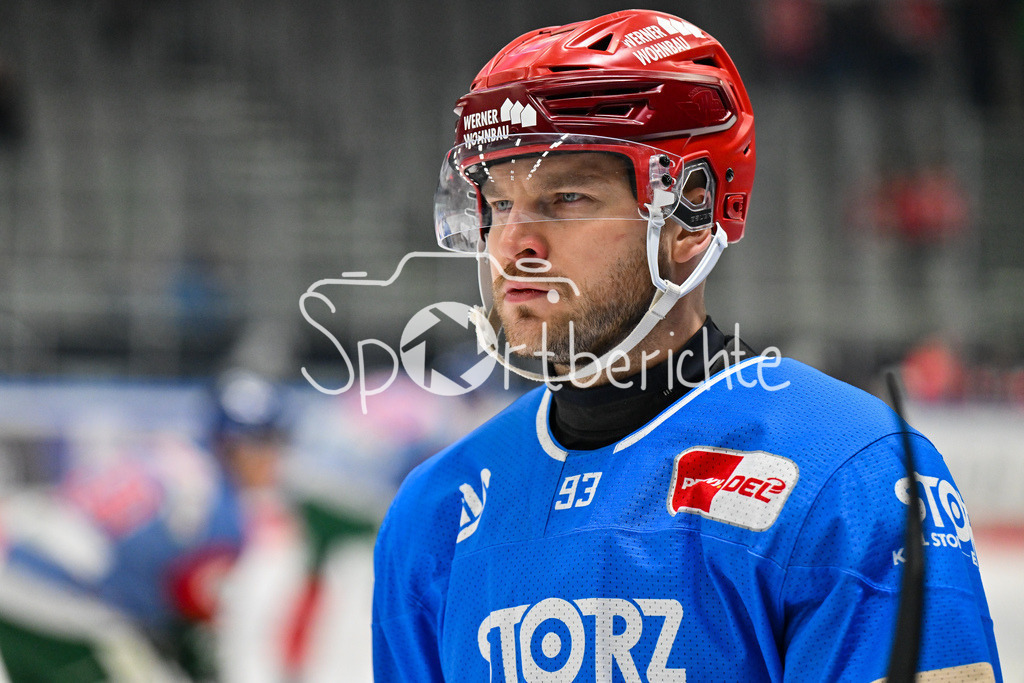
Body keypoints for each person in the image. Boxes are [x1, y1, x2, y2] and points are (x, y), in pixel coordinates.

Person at [372, 9, 1001, 683]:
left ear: (689, 214)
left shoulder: (851, 473)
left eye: (567, 197)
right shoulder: (434, 510)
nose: (513, 242)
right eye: (495, 203)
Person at [0, 369, 286, 682]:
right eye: (265, 443)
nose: (274, 457)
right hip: (63, 607)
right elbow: (191, 625)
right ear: (233, 447)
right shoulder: (222, 514)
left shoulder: (165, 452)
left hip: (18, 572)